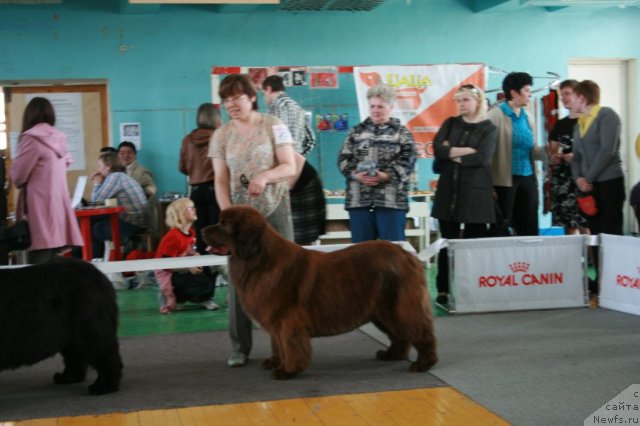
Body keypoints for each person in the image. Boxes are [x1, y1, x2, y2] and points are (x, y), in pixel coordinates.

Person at [208, 73, 296, 368]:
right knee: (239, 282)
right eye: (226, 99)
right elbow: (220, 180)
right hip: (239, 220)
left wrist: (265, 176)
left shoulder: (275, 125)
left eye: (236, 98)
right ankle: (240, 346)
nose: (231, 104)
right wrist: (226, 216)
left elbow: (290, 166)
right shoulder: (221, 135)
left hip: (274, 209)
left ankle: (285, 345)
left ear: (252, 96)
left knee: (285, 279)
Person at [431, 84, 497, 305]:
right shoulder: (450, 123)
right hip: (448, 193)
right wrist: (466, 151)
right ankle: (443, 290)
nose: (460, 104)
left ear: (477, 101)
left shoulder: (489, 129)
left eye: (465, 100)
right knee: (446, 244)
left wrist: (451, 152)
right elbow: (437, 149)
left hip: (476, 195)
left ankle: (473, 288)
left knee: (473, 245)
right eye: (458, 100)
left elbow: (482, 158)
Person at [338, 84, 417, 243]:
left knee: (393, 253)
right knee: (361, 253)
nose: (375, 110)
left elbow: (408, 160)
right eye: (372, 106)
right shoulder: (356, 132)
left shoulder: (402, 133)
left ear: (391, 107)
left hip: (391, 202)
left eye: (380, 106)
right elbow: (344, 159)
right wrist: (355, 174)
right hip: (359, 201)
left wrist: (387, 175)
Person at [9, 97, 83, 263]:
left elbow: (18, 177)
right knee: (52, 262)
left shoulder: (31, 139)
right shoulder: (60, 138)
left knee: (39, 269)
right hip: (58, 209)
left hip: (39, 210)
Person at [570, 79, 626, 296]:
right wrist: (578, 180)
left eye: (572, 97)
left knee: (611, 232)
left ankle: (616, 279)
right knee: (594, 233)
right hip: (588, 187)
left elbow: (607, 150)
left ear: (582, 98)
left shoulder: (607, 116)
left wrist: (588, 177)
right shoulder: (578, 125)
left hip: (609, 183)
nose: (568, 102)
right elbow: (577, 157)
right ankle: (600, 279)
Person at [488, 72, 547, 236]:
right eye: (527, 90)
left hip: (527, 177)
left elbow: (532, 149)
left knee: (529, 224)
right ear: (514, 93)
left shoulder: (528, 117)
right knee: (502, 225)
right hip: (503, 181)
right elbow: (486, 153)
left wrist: (547, 152)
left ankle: (529, 260)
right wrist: (489, 184)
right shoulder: (494, 115)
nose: (530, 94)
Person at [154, 197, 219, 314]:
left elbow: (187, 251)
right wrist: (188, 267)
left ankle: (204, 298)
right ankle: (176, 296)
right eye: (191, 208)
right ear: (181, 214)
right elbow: (165, 265)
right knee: (205, 284)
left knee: (210, 269)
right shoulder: (173, 236)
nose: (195, 210)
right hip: (169, 274)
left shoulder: (190, 233)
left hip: (181, 269)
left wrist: (194, 255)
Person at [547, 79, 589, 235]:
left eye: (567, 93)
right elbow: (551, 153)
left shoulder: (589, 122)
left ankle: (592, 259)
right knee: (568, 224)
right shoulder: (559, 125)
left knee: (585, 223)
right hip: (564, 180)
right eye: (561, 94)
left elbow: (600, 152)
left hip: (584, 179)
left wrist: (577, 157)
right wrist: (555, 157)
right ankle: (573, 260)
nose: (563, 97)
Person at [179, 103, 222, 253]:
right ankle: (218, 272)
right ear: (217, 118)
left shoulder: (187, 140)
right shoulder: (219, 137)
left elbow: (182, 168)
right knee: (216, 233)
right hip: (216, 189)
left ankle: (204, 270)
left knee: (201, 231)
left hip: (195, 191)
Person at [90, 151, 148, 258]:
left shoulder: (115, 177)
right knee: (93, 221)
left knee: (97, 228)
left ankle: (98, 261)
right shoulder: (120, 176)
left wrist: (97, 183)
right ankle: (98, 259)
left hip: (134, 224)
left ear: (108, 167)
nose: (98, 169)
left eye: (100, 166)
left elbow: (96, 200)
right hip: (137, 220)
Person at [262, 75, 316, 155]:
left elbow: (275, 141)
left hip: (280, 163)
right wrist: (298, 156)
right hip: (295, 164)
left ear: (269, 89)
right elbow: (311, 140)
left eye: (264, 94)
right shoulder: (298, 108)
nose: (264, 98)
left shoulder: (275, 109)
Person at [117, 141, 158, 245]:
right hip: (124, 214)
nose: (125, 155)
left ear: (135, 155)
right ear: (117, 155)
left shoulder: (141, 171)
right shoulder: (118, 172)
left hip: (138, 216)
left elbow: (151, 189)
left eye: (129, 152)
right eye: (122, 153)